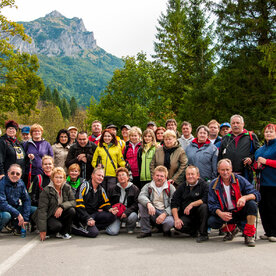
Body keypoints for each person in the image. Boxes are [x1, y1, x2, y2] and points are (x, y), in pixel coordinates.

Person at [208, 159, 260, 247]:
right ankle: (231, 230)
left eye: (227, 169)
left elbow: (256, 194)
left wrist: (244, 197)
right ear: (218, 170)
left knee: (251, 204)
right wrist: (220, 213)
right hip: (226, 213)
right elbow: (211, 204)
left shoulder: (240, 180)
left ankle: (249, 235)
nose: (225, 172)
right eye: (222, 170)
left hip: (240, 210)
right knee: (211, 221)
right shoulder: (214, 184)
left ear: (231, 169)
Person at [72, 168, 117, 238]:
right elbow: (78, 204)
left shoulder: (101, 189)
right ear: (92, 175)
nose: (100, 177)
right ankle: (75, 228)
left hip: (94, 214)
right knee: (94, 233)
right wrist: (87, 218)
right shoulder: (84, 186)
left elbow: (105, 203)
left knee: (112, 216)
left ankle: (92, 225)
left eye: (102, 176)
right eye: (98, 175)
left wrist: (110, 209)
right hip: (82, 215)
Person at [34, 167, 76, 241]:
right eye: (56, 177)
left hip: (60, 213)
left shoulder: (67, 187)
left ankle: (64, 232)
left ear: (64, 179)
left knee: (71, 211)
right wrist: (42, 230)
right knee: (56, 226)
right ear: (52, 178)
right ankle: (48, 232)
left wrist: (62, 207)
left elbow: (73, 201)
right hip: (49, 215)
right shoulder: (46, 190)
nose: (58, 180)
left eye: (61, 177)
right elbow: (42, 211)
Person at [171, 166, 209, 242]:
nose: (190, 176)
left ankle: (203, 234)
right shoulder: (182, 187)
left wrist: (192, 204)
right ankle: (194, 231)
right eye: (188, 174)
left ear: (198, 175)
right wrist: (176, 219)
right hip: (186, 215)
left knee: (204, 207)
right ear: (186, 176)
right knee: (178, 225)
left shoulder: (204, 185)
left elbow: (205, 198)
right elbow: (174, 203)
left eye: (192, 174)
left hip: (199, 215)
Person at [218, 114, 260, 183]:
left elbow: (258, 152)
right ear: (231, 125)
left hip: (245, 174)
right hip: (227, 175)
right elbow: (220, 155)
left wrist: (251, 158)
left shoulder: (250, 136)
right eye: (233, 123)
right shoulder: (226, 138)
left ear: (243, 124)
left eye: (238, 123)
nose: (235, 125)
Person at [137, 166, 176, 238]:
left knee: (170, 222)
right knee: (142, 205)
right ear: (153, 176)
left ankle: (165, 230)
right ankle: (146, 231)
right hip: (153, 211)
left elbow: (174, 204)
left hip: (165, 212)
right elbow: (141, 196)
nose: (159, 178)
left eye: (162, 176)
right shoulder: (148, 186)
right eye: (157, 175)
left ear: (165, 177)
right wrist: (148, 204)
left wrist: (165, 214)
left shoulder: (171, 188)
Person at [255, 123, 276, 242]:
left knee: (273, 208)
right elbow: (256, 164)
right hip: (262, 183)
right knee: (263, 208)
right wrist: (255, 165)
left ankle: (275, 232)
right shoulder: (261, 149)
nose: (268, 133)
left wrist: (266, 161)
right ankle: (268, 231)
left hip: (274, 183)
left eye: (271, 131)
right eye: (267, 132)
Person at [92, 129, 126, 196]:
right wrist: (96, 166)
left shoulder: (116, 148)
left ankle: (110, 205)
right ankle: (102, 205)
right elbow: (94, 161)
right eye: (105, 136)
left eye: (109, 136)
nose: (107, 138)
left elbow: (120, 161)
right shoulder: (99, 148)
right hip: (101, 174)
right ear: (102, 137)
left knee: (111, 191)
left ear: (112, 137)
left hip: (112, 174)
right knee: (101, 191)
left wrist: (125, 166)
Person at [106, 167, 139, 235]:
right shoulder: (112, 189)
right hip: (116, 213)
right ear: (117, 178)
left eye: (123, 175)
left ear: (127, 177)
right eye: (119, 175)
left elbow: (136, 204)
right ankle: (114, 224)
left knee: (133, 216)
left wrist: (126, 212)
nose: (121, 177)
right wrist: (112, 209)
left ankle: (130, 227)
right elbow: (107, 202)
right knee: (112, 232)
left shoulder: (134, 189)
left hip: (128, 212)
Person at [0, 164, 32, 234]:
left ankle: (18, 226)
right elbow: (2, 204)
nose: (15, 175)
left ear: (20, 175)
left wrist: (25, 218)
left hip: (14, 208)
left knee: (34, 210)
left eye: (17, 174)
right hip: (3, 210)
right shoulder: (2, 183)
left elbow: (26, 200)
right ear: (8, 173)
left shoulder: (21, 183)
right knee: (6, 216)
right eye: (12, 173)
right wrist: (18, 214)